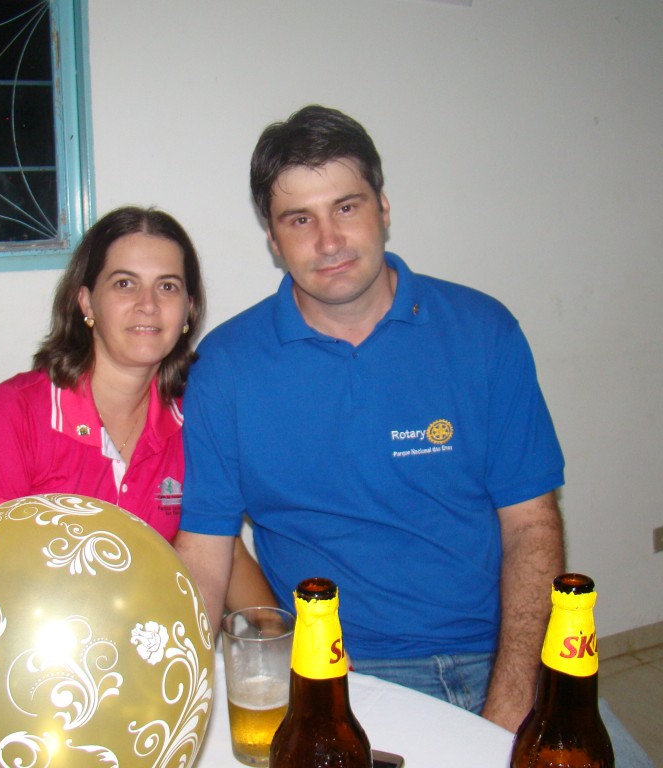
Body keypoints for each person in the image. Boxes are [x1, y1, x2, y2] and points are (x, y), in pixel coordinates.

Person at [173, 105, 564, 731]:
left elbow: (532, 527)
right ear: (273, 239)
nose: (328, 242)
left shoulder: (483, 332)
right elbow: (204, 553)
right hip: (338, 675)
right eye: (300, 219)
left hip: (498, 655)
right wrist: (176, 708)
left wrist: (509, 712)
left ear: (383, 208)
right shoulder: (226, 367)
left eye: (346, 207)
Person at [0, 205, 274, 612]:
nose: (148, 304)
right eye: (124, 284)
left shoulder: (195, 420)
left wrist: (280, 633)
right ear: (86, 302)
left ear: (189, 309)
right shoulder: (13, 415)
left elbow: (219, 546)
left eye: (167, 286)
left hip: (149, 642)